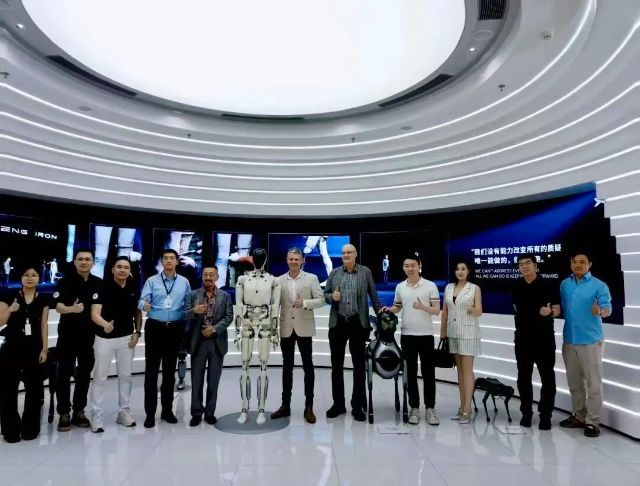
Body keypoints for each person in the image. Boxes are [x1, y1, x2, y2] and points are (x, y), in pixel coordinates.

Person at [324, 243, 382, 422]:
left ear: (355, 254)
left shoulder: (365, 272)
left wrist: (380, 313)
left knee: (358, 367)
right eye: (343, 252)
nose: (345, 255)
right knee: (336, 366)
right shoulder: (334, 273)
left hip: (358, 323)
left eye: (349, 252)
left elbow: (373, 295)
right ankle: (338, 404)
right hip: (338, 323)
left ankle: (357, 405)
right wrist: (331, 297)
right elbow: (325, 295)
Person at [559, 250, 612, 438]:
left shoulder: (599, 285)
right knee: (574, 382)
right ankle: (579, 416)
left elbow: (607, 308)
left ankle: (593, 421)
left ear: (590, 264)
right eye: (574, 261)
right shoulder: (565, 284)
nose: (578, 265)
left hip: (590, 341)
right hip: (569, 340)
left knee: (593, 384)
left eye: (582, 262)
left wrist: (601, 311)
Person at [384, 255, 440, 426]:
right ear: (403, 268)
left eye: (413, 265)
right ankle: (414, 407)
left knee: (428, 373)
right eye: (406, 265)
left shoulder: (430, 285)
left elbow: (436, 310)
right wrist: (389, 310)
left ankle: (430, 408)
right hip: (407, 335)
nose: (409, 268)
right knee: (410, 373)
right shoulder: (400, 287)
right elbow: (397, 306)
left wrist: (422, 307)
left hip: (426, 335)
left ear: (419, 265)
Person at [89, 256, 142, 433]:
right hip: (104, 339)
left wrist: (137, 332)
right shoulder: (102, 286)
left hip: (126, 339)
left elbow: (138, 313)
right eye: (119, 266)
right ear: (112, 269)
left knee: (126, 376)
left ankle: (123, 411)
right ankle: (96, 414)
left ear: (129, 271)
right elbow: (94, 313)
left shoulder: (133, 287)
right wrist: (105, 325)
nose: (122, 270)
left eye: (126, 267)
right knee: (100, 377)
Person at [139, 249, 192, 428]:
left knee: (169, 372)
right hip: (155, 327)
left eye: (172, 258)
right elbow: (141, 301)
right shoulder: (152, 281)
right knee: (151, 372)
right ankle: (150, 413)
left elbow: (188, 305)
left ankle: (167, 411)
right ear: (161, 262)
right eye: (165, 258)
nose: (169, 261)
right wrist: (144, 305)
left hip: (175, 329)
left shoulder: (184, 282)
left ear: (177, 261)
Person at [271, 248, 324, 424]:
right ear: (286, 260)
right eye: (291, 259)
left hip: (304, 328)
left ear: (302, 261)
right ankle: (285, 405)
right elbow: (274, 304)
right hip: (286, 328)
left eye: (296, 259)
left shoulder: (311, 278)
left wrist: (306, 302)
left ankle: (309, 407)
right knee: (287, 368)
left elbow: (321, 300)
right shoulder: (278, 280)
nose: (294, 262)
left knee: (308, 367)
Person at [53, 249, 102, 431]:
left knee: (84, 375)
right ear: (74, 262)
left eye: (87, 259)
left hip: (88, 336)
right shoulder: (65, 281)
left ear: (93, 262)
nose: (84, 262)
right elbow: (58, 306)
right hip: (67, 335)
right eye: (80, 259)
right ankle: (64, 412)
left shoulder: (98, 283)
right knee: (64, 374)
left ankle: (79, 411)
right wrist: (71, 309)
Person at [511, 253, 560, 430]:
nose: (524, 267)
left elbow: (557, 309)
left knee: (548, 377)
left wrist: (550, 312)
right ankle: (526, 412)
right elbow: (517, 308)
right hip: (523, 338)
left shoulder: (548, 284)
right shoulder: (516, 285)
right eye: (520, 264)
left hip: (544, 338)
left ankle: (545, 415)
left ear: (536, 265)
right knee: (523, 377)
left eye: (527, 263)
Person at [0, 265, 49, 443]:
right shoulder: (8, 295)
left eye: (33, 275)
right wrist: (10, 309)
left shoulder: (43, 299)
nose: (30, 278)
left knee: (34, 390)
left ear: (39, 278)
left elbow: (44, 325)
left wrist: (44, 349)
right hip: (11, 347)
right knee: (8, 390)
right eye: (26, 275)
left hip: (34, 349)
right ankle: (10, 429)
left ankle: (30, 428)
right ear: (20, 277)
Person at [235, 248, 281, 425]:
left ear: (266, 259)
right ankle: (244, 408)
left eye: (262, 257)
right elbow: (239, 304)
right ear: (252, 259)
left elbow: (275, 306)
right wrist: (238, 329)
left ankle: (261, 408)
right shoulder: (243, 279)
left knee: (263, 365)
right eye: (257, 257)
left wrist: (275, 330)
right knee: (244, 365)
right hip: (247, 321)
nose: (259, 260)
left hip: (266, 322)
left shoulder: (273, 280)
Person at [184, 265, 233, 426]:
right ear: (202, 276)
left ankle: (210, 412)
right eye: (205, 274)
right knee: (196, 380)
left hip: (216, 342)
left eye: (211, 275)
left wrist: (214, 329)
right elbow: (183, 315)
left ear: (217, 277)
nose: (208, 277)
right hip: (198, 342)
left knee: (213, 381)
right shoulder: (193, 295)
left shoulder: (225, 296)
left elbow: (229, 317)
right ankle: (196, 413)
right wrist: (194, 311)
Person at [441, 260, 482, 424]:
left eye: (463, 269)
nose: (460, 271)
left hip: (468, 332)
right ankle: (462, 406)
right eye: (457, 269)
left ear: (468, 271)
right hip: (453, 332)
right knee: (459, 372)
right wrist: (443, 331)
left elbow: (479, 310)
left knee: (467, 371)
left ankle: (467, 409)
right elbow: (445, 311)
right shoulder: (449, 287)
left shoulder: (474, 288)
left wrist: (473, 309)